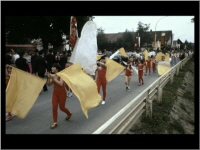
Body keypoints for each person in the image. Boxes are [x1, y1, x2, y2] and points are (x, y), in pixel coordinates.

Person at [47, 63, 72, 129]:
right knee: (54, 107)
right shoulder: (52, 75)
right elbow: (48, 84)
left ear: (57, 69)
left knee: (62, 108)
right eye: (52, 67)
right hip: (55, 94)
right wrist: (49, 78)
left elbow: (61, 84)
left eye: (53, 67)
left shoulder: (62, 75)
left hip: (62, 93)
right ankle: (55, 122)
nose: (52, 68)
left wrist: (53, 78)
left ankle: (69, 113)